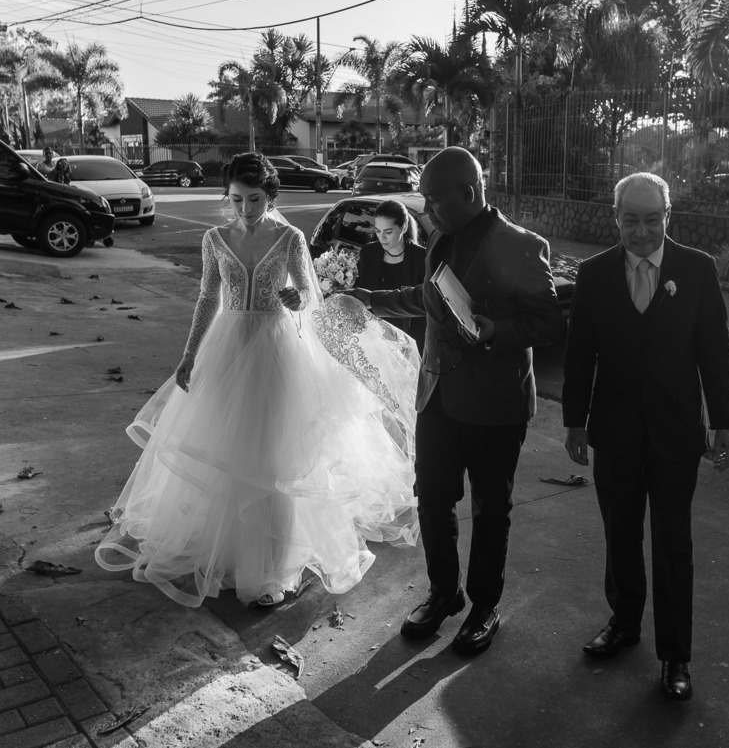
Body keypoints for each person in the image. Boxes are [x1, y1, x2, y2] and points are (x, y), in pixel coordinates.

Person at [95, 152, 421, 608]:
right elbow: (208, 296)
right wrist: (189, 354)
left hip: (276, 347)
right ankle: (221, 555)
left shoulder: (288, 237)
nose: (245, 209)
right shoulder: (214, 238)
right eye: (236, 200)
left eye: (254, 199)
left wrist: (296, 294)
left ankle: (270, 568)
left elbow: (308, 293)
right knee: (221, 449)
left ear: (270, 197)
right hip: (226, 347)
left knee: (273, 455)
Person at [349, 146, 564, 656]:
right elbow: (429, 301)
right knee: (433, 498)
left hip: (494, 403)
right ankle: (445, 593)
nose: (425, 210)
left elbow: (549, 322)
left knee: (491, 509)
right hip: (438, 393)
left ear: (468, 193)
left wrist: (497, 331)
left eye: (432, 199)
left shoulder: (522, 246)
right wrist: (371, 301)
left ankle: (484, 607)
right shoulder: (441, 236)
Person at [562, 171, 729, 702]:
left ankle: (676, 655)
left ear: (668, 217)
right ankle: (623, 622)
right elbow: (580, 355)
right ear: (615, 217)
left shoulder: (697, 269)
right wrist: (574, 421)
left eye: (652, 219)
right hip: (614, 432)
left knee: (672, 542)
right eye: (631, 219)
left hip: (674, 434)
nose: (641, 231)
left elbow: (714, 352)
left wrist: (725, 421)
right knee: (619, 533)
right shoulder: (594, 274)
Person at [354, 200, 427, 352]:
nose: (382, 238)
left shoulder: (422, 258)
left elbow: (423, 304)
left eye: (388, 232)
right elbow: (360, 291)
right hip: (374, 342)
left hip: (409, 343)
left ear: (404, 227)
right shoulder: (369, 253)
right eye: (378, 231)